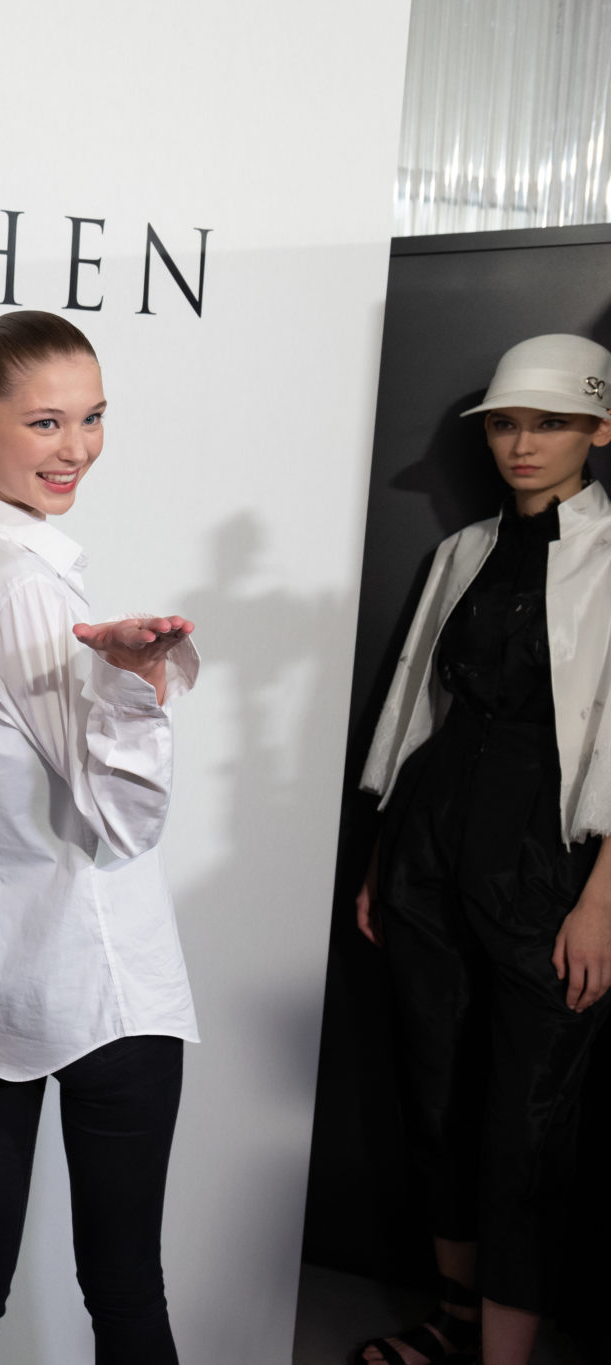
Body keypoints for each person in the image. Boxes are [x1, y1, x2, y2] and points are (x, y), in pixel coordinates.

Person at [0, 310, 200, 1365]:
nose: (74, 447)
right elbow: (123, 820)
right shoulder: (22, 585)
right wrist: (135, 685)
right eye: (44, 422)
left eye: (91, 418)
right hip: (99, 978)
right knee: (124, 1289)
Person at [351, 333, 611, 1365]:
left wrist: (601, 900)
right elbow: (416, 708)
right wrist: (384, 856)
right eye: (505, 423)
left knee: (526, 1125)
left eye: (549, 423)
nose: (521, 443)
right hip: (431, 840)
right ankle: (452, 1325)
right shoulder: (460, 550)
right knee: (436, 1097)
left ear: (598, 429)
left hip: (550, 864)